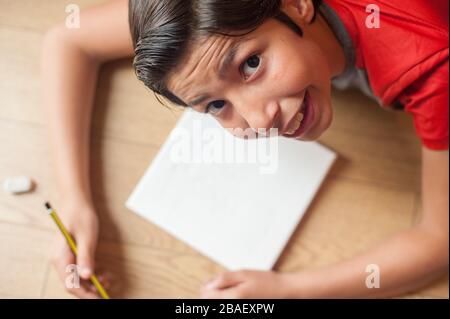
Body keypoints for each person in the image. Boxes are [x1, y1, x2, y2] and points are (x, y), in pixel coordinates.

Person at [41, 0, 448, 298]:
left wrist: (290, 290)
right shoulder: (205, 15)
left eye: (251, 64)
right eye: (216, 105)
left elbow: (440, 238)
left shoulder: (435, 70)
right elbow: (68, 40)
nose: (258, 121)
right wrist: (76, 201)